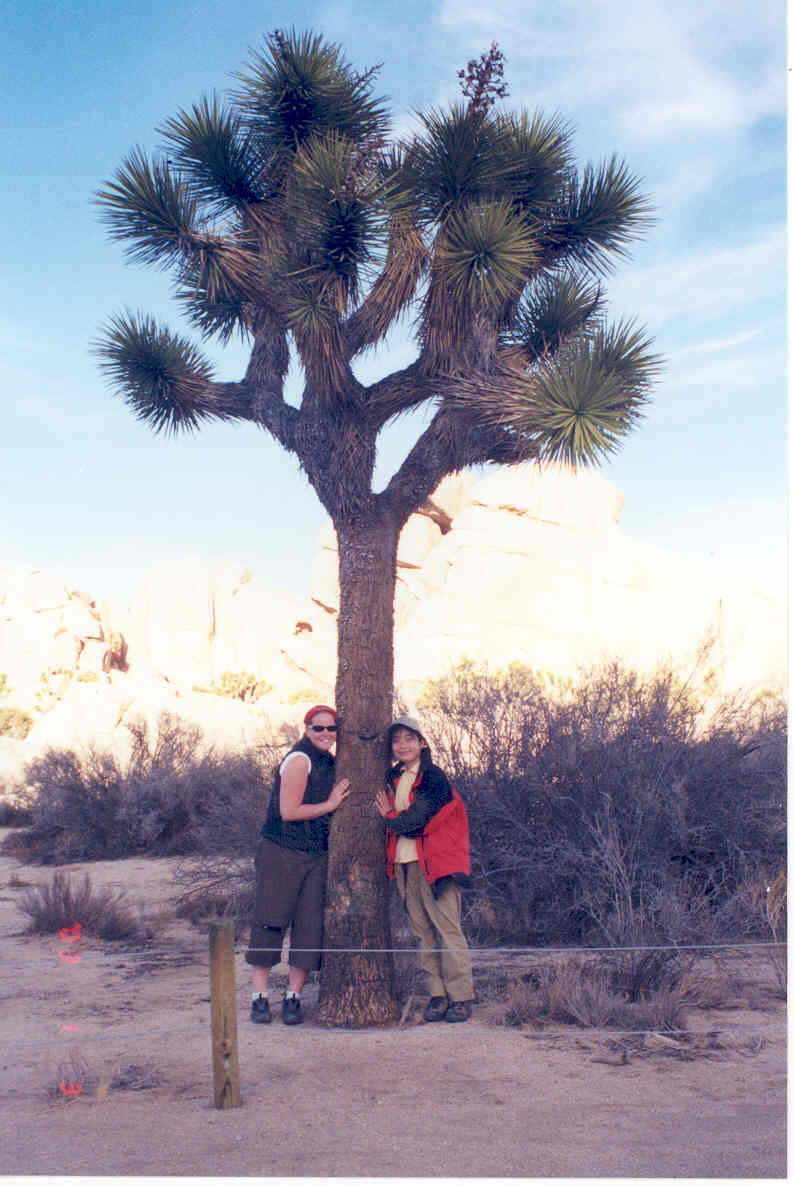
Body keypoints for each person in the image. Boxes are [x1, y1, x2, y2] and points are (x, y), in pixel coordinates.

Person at [245, 705, 351, 1025]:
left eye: (331, 729)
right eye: (318, 728)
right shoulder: (299, 759)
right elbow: (289, 811)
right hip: (282, 852)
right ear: (306, 730)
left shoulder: (330, 761)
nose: (326, 734)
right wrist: (330, 805)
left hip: (316, 856)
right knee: (270, 921)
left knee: (308, 927)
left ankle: (293, 997)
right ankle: (259, 998)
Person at [375, 716, 475, 1023]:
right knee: (422, 933)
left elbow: (416, 821)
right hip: (404, 864)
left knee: (448, 930)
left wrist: (389, 816)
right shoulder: (395, 777)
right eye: (396, 740)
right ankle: (437, 995)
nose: (402, 745)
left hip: (435, 865)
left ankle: (461, 997)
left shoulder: (432, 776)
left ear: (422, 742)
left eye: (409, 738)